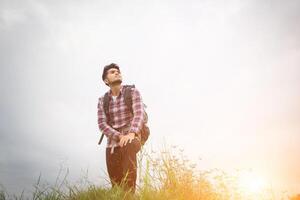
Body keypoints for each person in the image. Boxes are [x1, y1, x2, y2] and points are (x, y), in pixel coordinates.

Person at [97, 63, 144, 193]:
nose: (117, 72)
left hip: (131, 137)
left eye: (118, 71)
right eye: (112, 72)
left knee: (128, 183)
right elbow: (102, 124)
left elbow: (139, 114)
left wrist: (132, 133)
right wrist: (119, 136)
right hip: (112, 144)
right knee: (116, 185)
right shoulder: (102, 100)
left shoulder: (132, 92)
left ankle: (130, 195)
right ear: (106, 80)